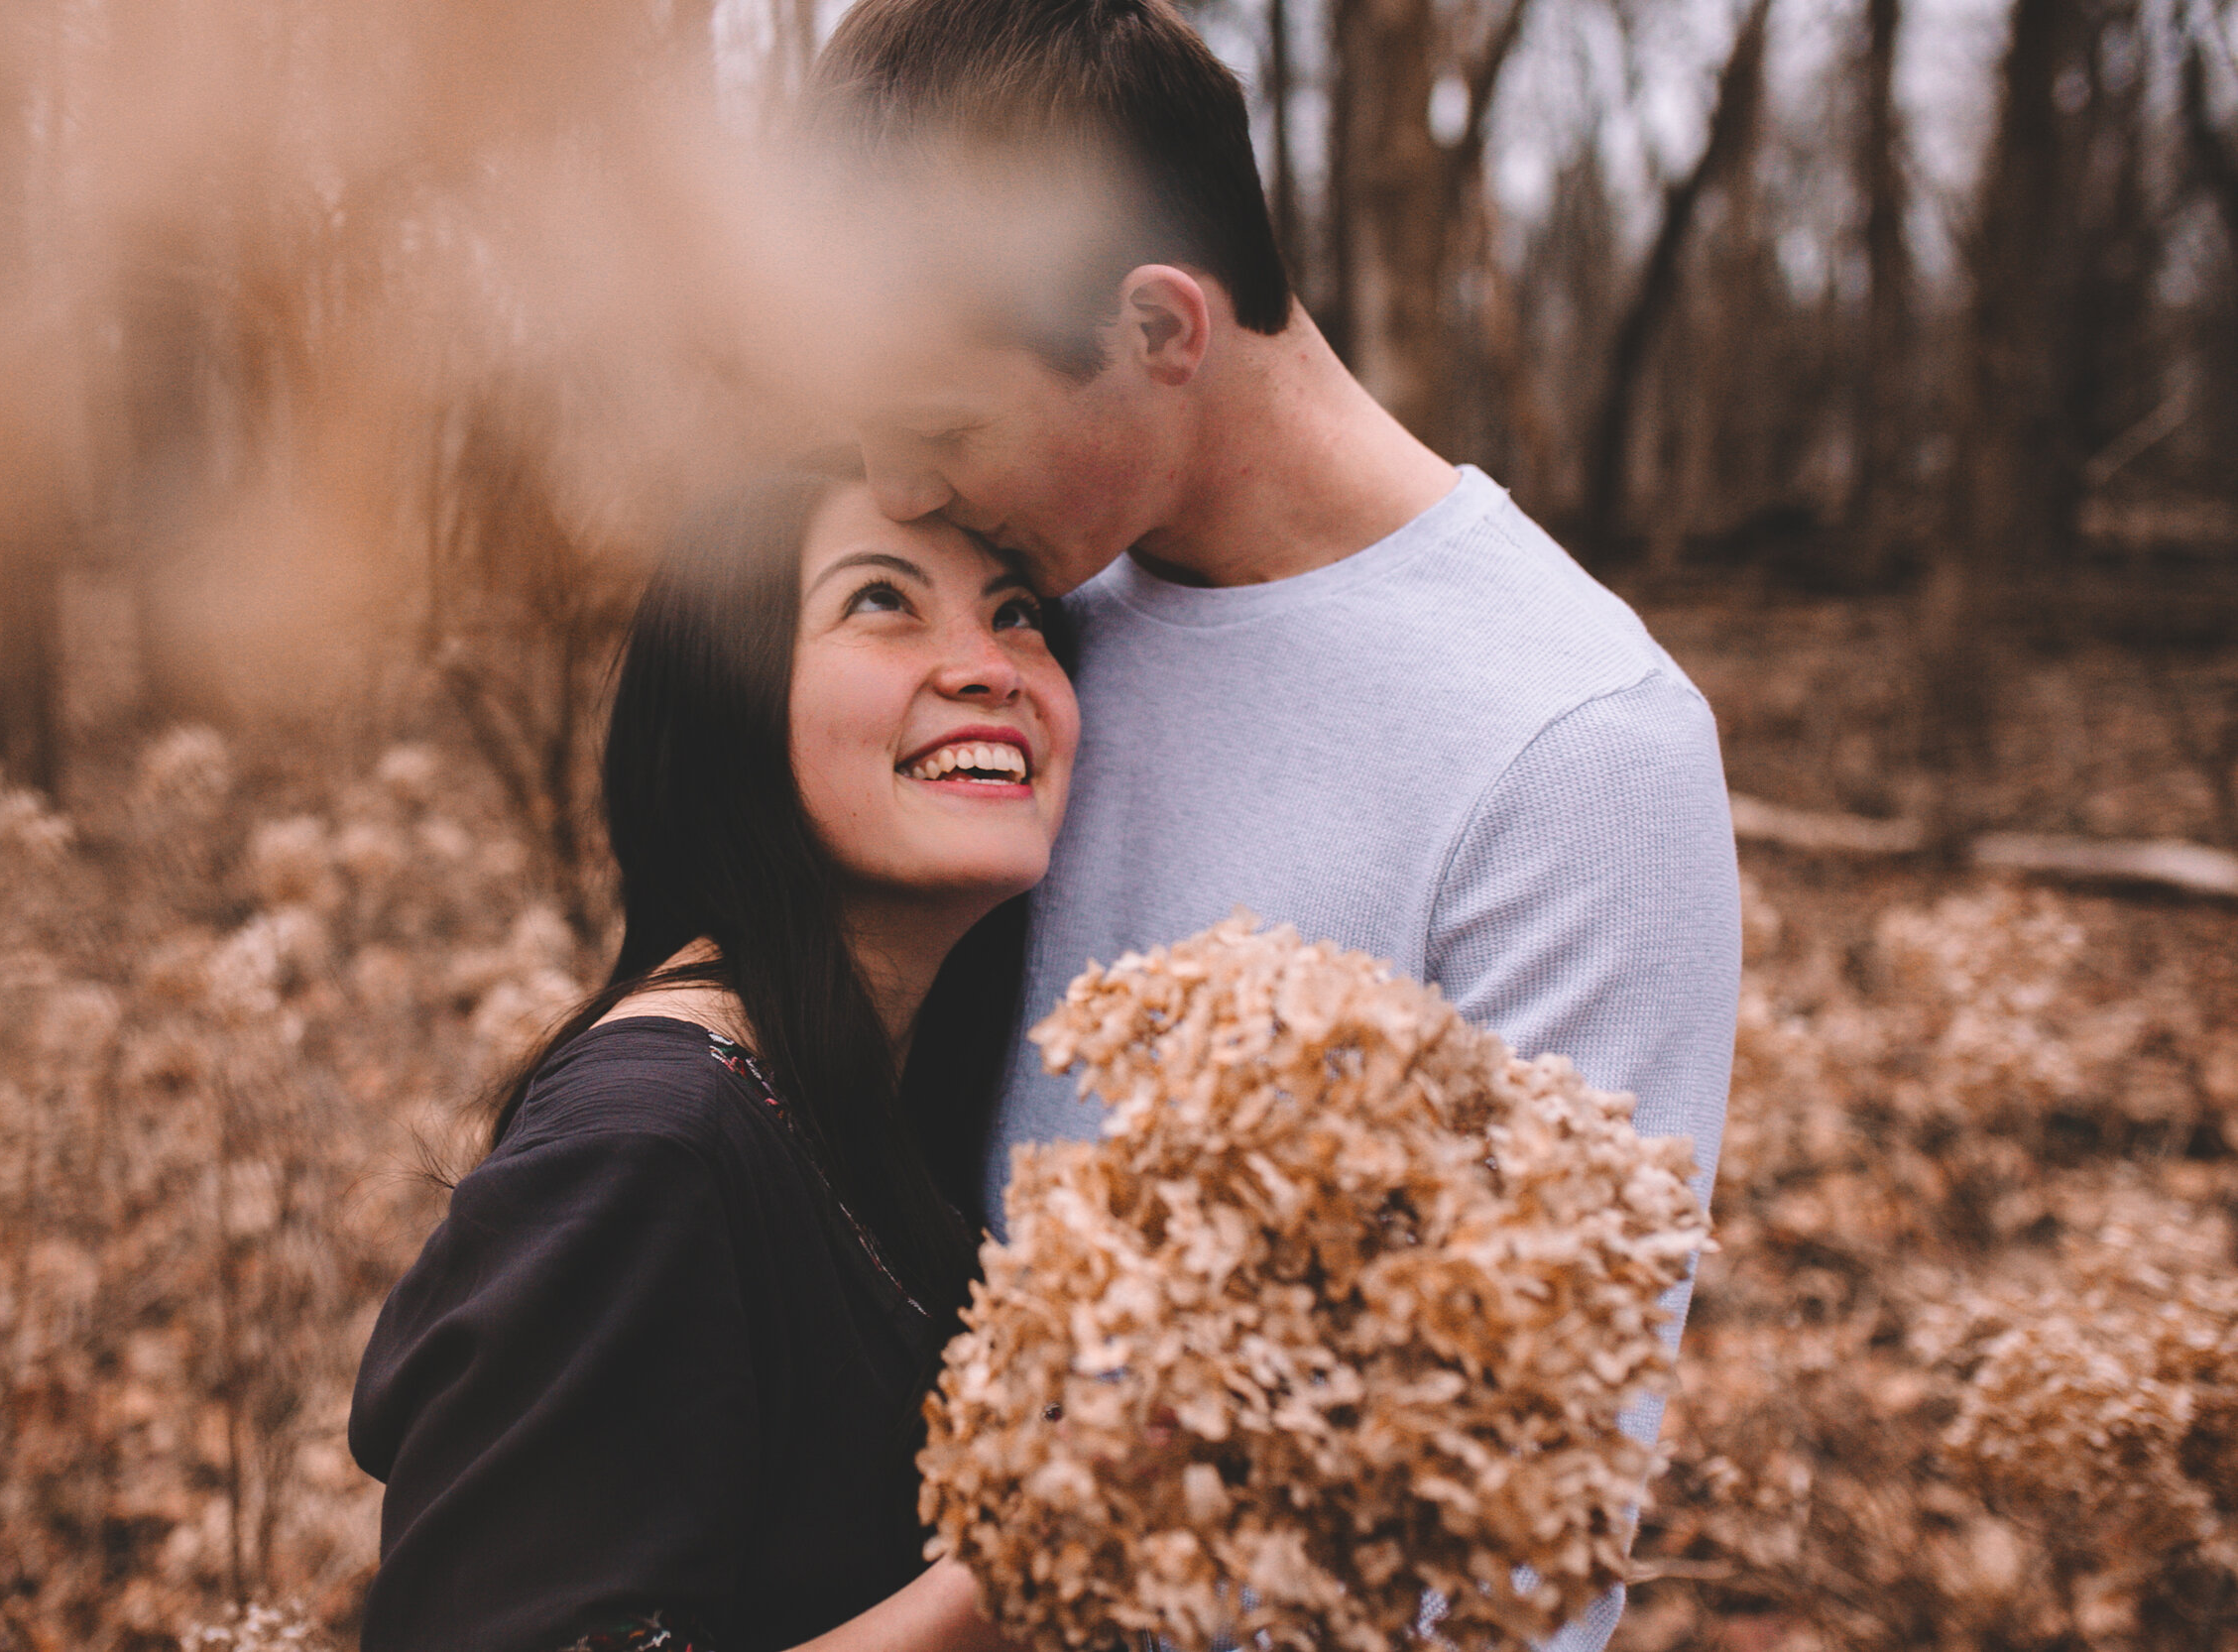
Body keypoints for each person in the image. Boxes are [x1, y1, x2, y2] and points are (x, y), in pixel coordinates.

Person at [806, 4, 1740, 1647]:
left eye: (941, 427)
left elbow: (1523, 1515)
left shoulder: (1572, 748)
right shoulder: (1016, 631)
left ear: (1164, 328)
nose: (893, 486)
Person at [348, 472, 1079, 1652]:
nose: (989, 663)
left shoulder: (870, 1102)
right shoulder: (645, 1144)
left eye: (1017, 611)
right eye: (880, 600)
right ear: (724, 698)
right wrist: (1034, 1561)